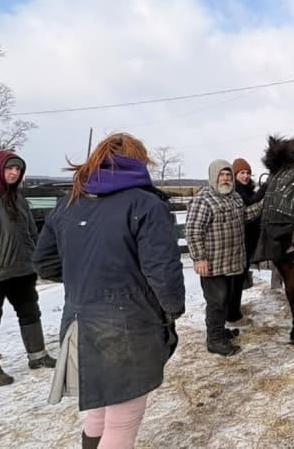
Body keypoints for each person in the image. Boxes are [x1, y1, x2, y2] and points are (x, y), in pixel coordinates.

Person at [32, 133, 185, 449]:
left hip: (78, 321)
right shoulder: (145, 204)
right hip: (128, 325)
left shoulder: (67, 204)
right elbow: (163, 274)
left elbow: (44, 263)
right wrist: (172, 311)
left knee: (99, 413)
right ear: (138, 162)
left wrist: (88, 278)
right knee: (122, 424)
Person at [0, 151, 56, 387]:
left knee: (30, 311)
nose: (14, 173)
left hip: (23, 269)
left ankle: (37, 356)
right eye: (9, 168)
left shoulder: (17, 197)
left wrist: (36, 259)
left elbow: (30, 232)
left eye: (18, 169)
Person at [186, 159, 264, 356]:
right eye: (222, 175)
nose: (226, 178)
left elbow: (245, 215)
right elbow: (194, 231)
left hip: (233, 261)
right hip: (213, 263)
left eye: (228, 175)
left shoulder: (235, 197)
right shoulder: (203, 200)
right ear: (214, 176)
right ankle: (214, 340)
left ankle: (220, 331)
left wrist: (264, 203)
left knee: (227, 299)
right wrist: (199, 258)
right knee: (217, 302)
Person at [226, 158, 262, 326]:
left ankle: (232, 310)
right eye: (242, 173)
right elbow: (249, 210)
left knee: (239, 275)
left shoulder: (247, 190)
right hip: (240, 241)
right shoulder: (236, 193)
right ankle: (232, 314)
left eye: (247, 173)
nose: (246, 176)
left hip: (249, 239)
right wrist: (263, 195)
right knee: (236, 277)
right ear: (235, 175)